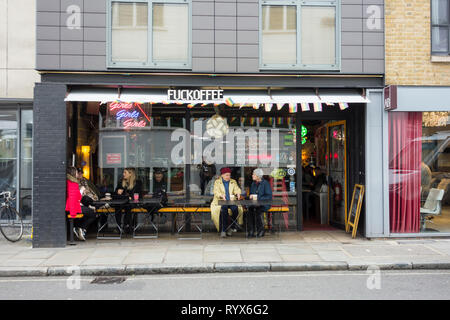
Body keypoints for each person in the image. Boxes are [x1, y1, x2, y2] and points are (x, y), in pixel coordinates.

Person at [210, 167, 244, 238]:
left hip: (231, 201)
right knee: (223, 210)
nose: (228, 177)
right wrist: (221, 195)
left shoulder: (233, 181)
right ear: (222, 175)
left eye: (229, 175)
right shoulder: (217, 182)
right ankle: (223, 230)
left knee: (236, 209)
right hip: (221, 201)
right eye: (226, 175)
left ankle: (231, 227)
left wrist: (238, 193)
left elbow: (237, 189)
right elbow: (216, 192)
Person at [114, 168, 143, 233]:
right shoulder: (121, 182)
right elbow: (116, 192)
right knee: (117, 206)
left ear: (130, 174)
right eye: (123, 173)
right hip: (122, 202)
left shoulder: (137, 182)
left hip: (133, 203)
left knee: (128, 206)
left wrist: (129, 196)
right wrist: (118, 191)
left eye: (125, 173)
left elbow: (138, 194)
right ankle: (119, 226)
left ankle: (126, 225)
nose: (123, 174)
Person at [247, 168, 273, 238]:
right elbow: (252, 194)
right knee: (249, 210)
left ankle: (261, 230)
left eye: (254, 174)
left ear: (258, 176)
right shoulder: (253, 184)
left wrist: (257, 197)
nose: (252, 175)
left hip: (264, 204)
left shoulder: (265, 183)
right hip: (255, 204)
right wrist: (250, 196)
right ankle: (251, 230)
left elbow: (269, 196)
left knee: (257, 211)